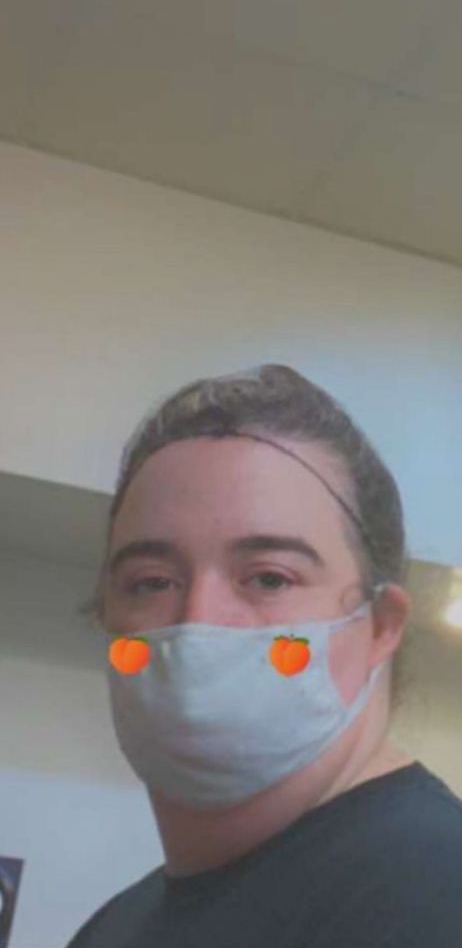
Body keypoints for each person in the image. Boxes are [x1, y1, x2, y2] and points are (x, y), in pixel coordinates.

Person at [66, 364, 462, 947]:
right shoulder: (114, 926)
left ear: (381, 625)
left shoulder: (436, 892)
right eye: (152, 582)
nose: (199, 620)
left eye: (270, 578)